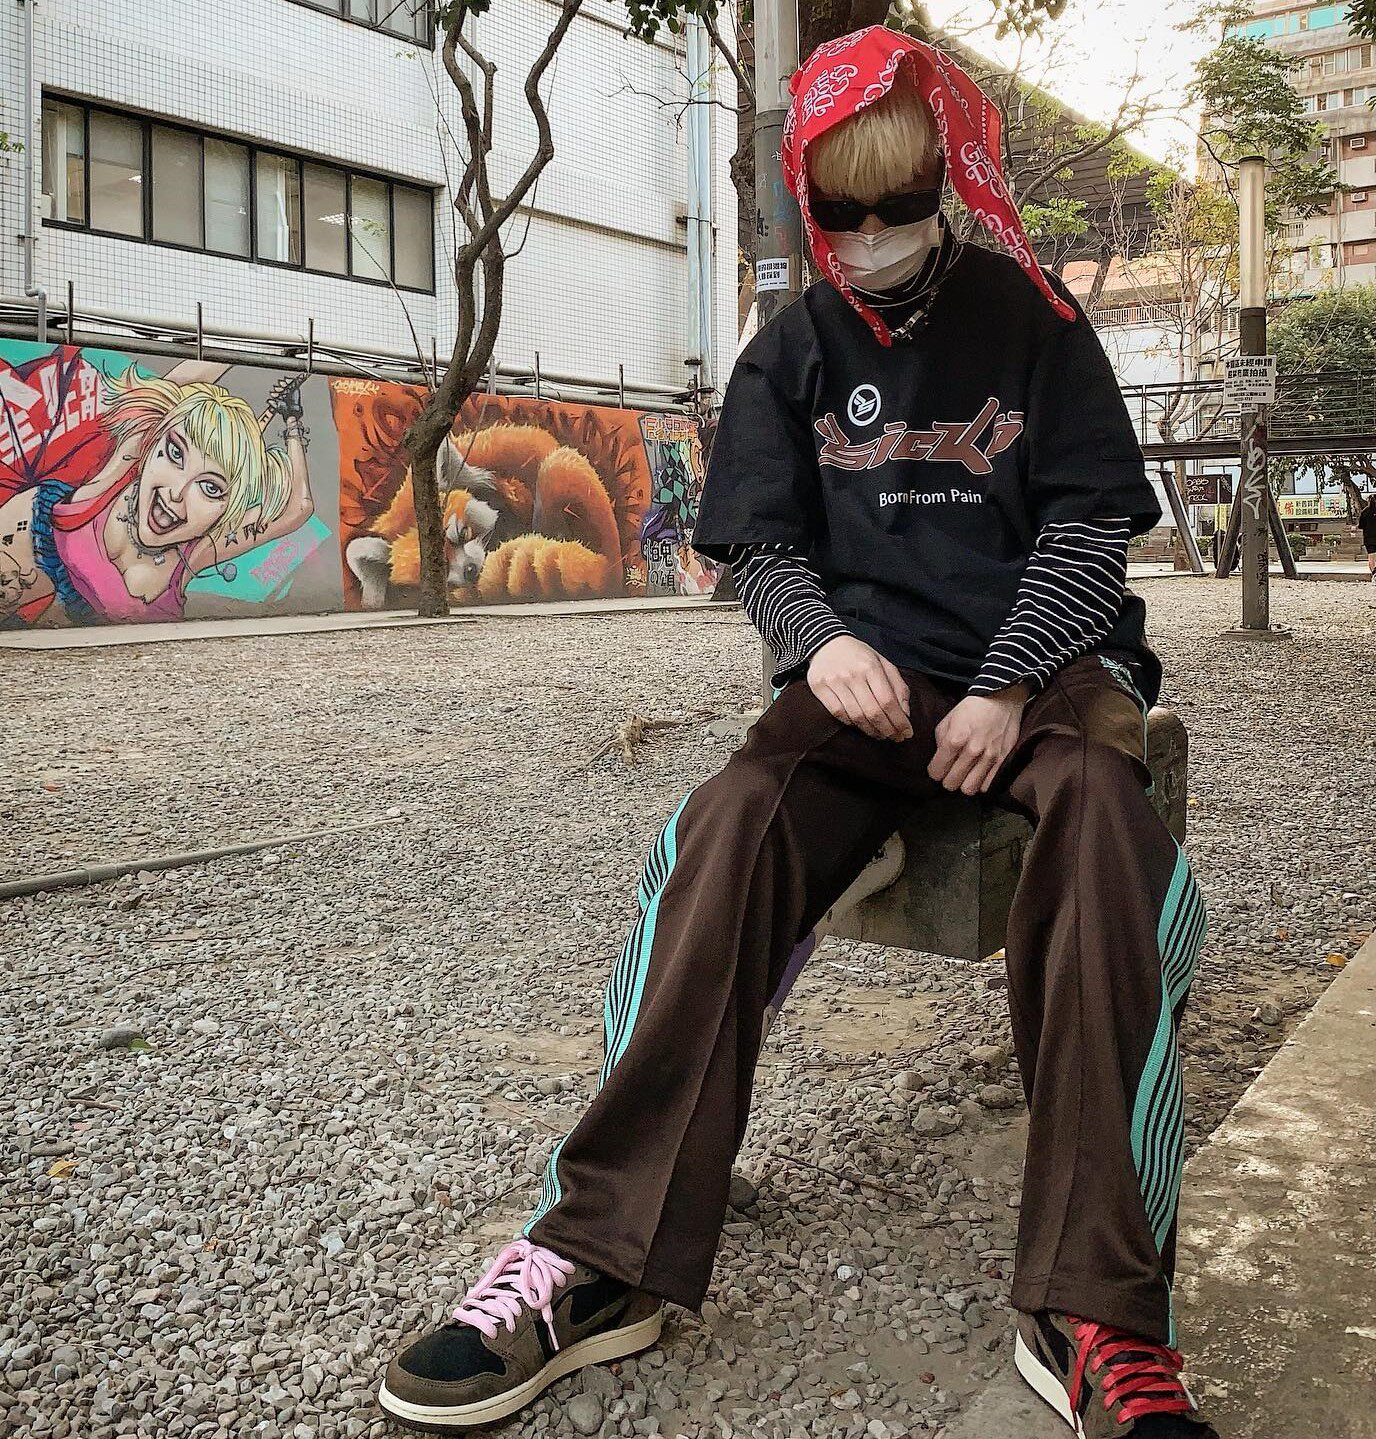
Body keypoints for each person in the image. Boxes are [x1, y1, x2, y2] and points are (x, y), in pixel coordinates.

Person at [378, 27, 1216, 1439]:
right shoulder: (790, 351)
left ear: (945, 185)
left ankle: (1099, 1309)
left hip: (1045, 676)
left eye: (902, 205)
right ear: (808, 208)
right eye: (846, 212)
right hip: (864, 681)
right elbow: (759, 551)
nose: (875, 235)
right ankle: (598, 1249)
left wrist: (1009, 681)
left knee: (1108, 839)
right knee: (726, 824)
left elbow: (1088, 536)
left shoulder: (1038, 323)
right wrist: (821, 646)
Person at [0, 338, 314, 628]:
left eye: (211, 487)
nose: (176, 493)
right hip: (42, 533)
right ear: (150, 445)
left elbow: (297, 509)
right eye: (175, 453)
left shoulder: (197, 552)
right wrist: (247, 343)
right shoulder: (115, 477)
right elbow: (167, 392)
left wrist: (293, 421)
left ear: (227, 509)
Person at [1359, 489, 1376, 583]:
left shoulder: (1365, 511)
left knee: (1371, 557)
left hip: (1369, 538)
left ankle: (1374, 574)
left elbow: (1361, 526)